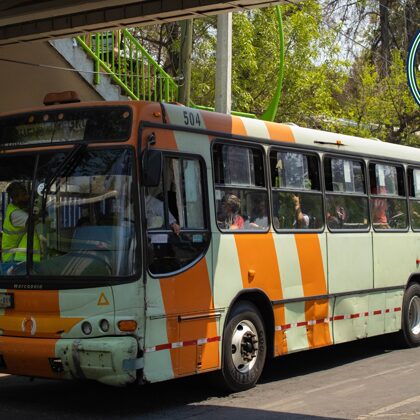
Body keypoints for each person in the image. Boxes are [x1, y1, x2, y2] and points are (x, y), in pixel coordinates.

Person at [1, 182, 40, 266]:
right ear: (15, 199)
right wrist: (42, 212)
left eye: (26, 194)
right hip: (12, 260)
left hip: (17, 258)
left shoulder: (14, 207)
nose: (27, 197)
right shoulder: (15, 214)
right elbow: (33, 220)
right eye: (23, 195)